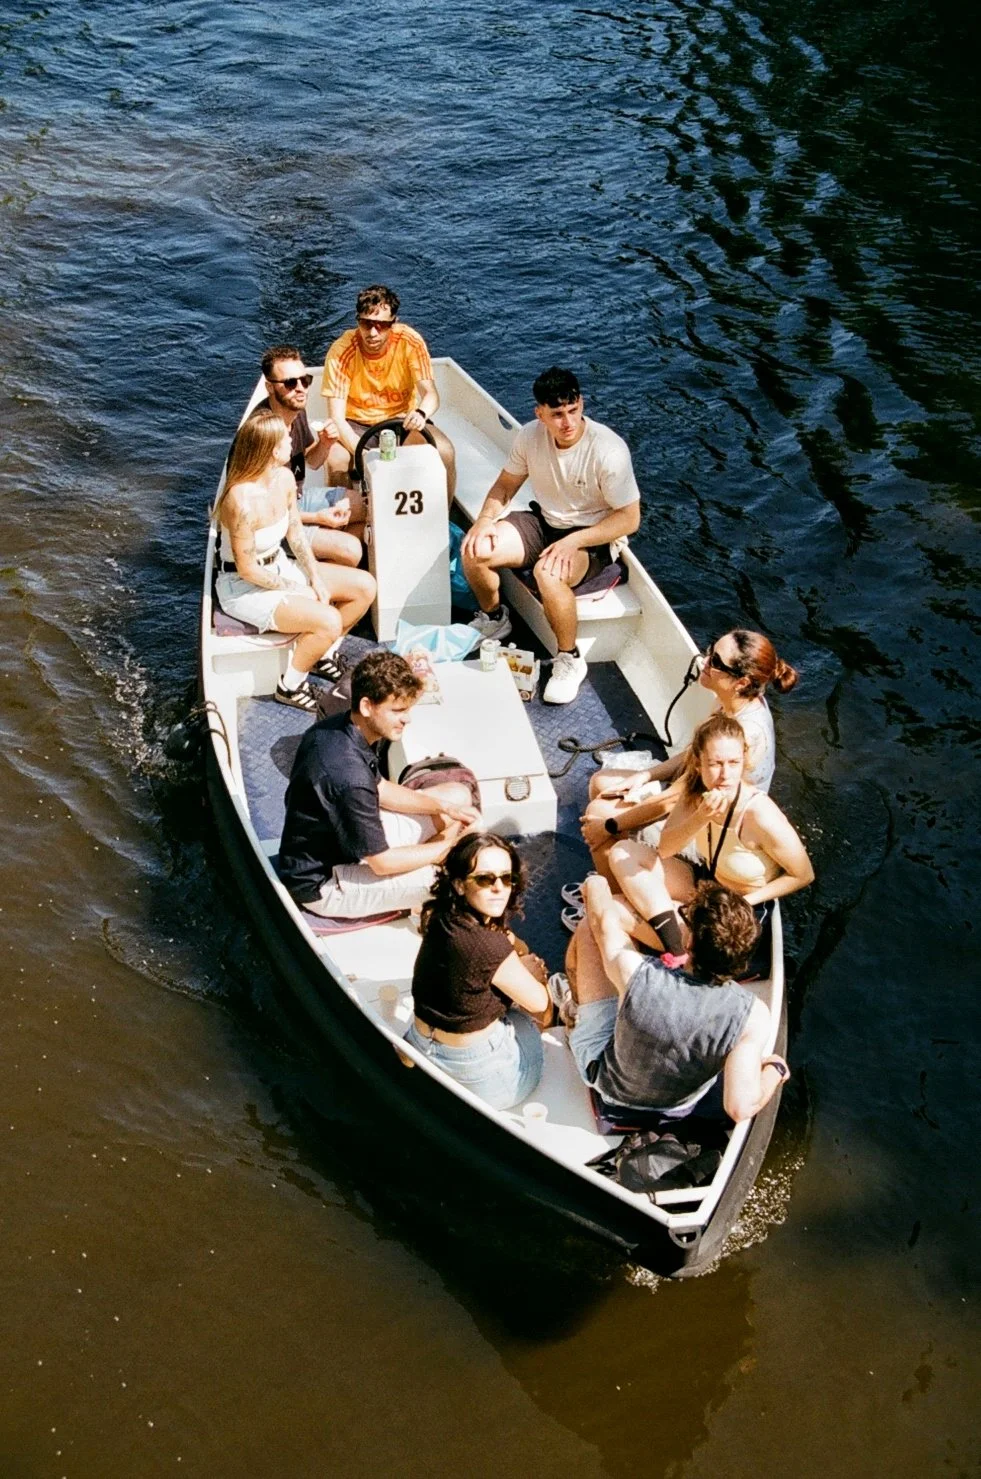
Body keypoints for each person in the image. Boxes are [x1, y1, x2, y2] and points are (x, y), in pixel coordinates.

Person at [460, 367, 641, 704]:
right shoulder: (529, 436)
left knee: (549, 572)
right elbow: (505, 485)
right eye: (557, 414)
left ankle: (569, 659)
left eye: (573, 410)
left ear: (581, 404)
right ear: (539, 413)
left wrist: (574, 541)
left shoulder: (608, 450)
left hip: (592, 537)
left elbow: (629, 519)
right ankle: (496, 617)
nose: (568, 422)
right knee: (475, 548)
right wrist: (484, 520)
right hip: (545, 522)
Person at [561, 874, 789, 1123]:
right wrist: (776, 1070)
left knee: (587, 930)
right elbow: (739, 1108)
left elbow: (602, 923)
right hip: (679, 1102)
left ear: (689, 939)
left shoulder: (636, 971)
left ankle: (574, 1009)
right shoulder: (754, 1015)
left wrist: (596, 884)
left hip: (609, 1086)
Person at [579, 629, 799, 883]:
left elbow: (671, 801)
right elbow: (692, 754)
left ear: (742, 682)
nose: (704, 662)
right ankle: (613, 873)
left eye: (716, 662)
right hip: (692, 796)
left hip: (706, 831)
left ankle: (619, 896)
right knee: (602, 783)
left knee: (600, 813)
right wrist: (645, 775)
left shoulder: (746, 735)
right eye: (710, 651)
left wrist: (609, 825)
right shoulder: (732, 701)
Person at [278, 651, 481, 917]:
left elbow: (381, 789)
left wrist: (446, 807)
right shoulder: (349, 779)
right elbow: (382, 863)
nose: (407, 719)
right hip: (324, 882)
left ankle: (428, 869)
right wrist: (450, 849)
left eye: (408, 709)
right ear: (366, 706)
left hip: (347, 838)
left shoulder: (334, 729)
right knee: (468, 872)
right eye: (397, 711)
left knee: (458, 796)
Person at [605, 712, 814, 959]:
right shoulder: (695, 792)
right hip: (707, 885)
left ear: (744, 761)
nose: (725, 775)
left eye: (733, 763)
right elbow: (666, 849)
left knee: (614, 909)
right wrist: (700, 817)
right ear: (698, 763)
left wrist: (746, 901)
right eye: (715, 764)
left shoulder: (760, 813)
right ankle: (678, 947)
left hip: (739, 913)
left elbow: (803, 875)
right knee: (623, 852)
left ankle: (680, 946)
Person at [214, 410, 376, 710]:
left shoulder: (284, 478)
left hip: (279, 566)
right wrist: (294, 589)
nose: (292, 440)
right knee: (327, 617)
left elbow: (296, 534)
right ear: (271, 449)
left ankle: (323, 653)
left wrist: (313, 575)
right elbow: (247, 569)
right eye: (285, 438)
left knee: (364, 587)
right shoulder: (240, 500)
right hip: (244, 586)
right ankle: (289, 687)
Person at [405, 834, 553, 1109]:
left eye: (507, 878)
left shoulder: (440, 916)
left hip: (420, 1041)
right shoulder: (487, 945)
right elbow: (539, 1003)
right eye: (485, 879)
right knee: (533, 1015)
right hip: (480, 1075)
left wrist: (512, 952)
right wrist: (531, 971)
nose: (499, 888)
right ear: (460, 885)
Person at [321, 284, 457, 503]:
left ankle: (443, 518)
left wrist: (421, 414)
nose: (372, 333)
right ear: (358, 321)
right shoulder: (341, 351)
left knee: (444, 451)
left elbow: (431, 394)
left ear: (393, 323)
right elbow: (336, 418)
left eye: (381, 325)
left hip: (401, 420)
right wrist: (361, 454)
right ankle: (347, 521)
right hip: (355, 423)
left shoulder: (410, 342)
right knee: (335, 459)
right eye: (366, 324)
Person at [253, 344, 364, 564]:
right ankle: (320, 576)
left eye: (305, 381)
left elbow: (310, 462)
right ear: (270, 387)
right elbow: (263, 511)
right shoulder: (261, 433)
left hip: (298, 500)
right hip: (275, 524)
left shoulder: (297, 411)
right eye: (290, 383)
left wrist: (324, 444)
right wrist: (318, 518)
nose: (301, 389)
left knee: (364, 506)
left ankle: (324, 566)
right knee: (351, 550)